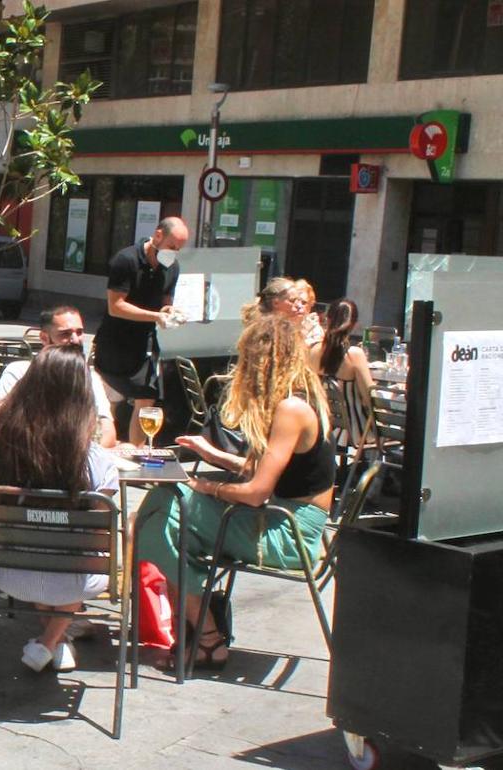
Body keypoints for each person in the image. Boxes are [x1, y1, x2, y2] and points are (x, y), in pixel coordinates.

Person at [135, 314, 334, 670]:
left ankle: (208, 637)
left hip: (287, 534)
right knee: (165, 517)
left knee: (166, 505)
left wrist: (206, 486)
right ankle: (201, 631)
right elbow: (271, 472)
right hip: (286, 520)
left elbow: (257, 492)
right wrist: (214, 455)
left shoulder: (290, 409)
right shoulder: (302, 399)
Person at [0, 344, 118, 672]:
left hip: (7, 575)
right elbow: (95, 536)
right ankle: (50, 641)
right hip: (75, 583)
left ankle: (52, 640)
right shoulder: (97, 460)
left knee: (50, 543)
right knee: (93, 546)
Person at [93, 217, 188, 444]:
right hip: (114, 342)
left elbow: (166, 302)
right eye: (171, 246)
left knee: (147, 398)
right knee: (109, 401)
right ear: (157, 236)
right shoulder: (125, 260)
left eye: (179, 249)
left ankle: (136, 454)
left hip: (144, 343)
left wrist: (171, 313)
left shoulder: (171, 267)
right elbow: (116, 307)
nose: (174, 253)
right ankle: (103, 450)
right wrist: (156, 316)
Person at [0, 305, 117, 447]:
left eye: (80, 332)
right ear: (44, 338)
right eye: (65, 334)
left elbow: (108, 431)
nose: (76, 340)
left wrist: (83, 456)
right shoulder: (19, 373)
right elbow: (0, 426)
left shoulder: (90, 377)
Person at [311, 298, 373, 448]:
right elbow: (369, 397)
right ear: (354, 324)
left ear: (328, 319)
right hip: (355, 430)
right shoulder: (355, 354)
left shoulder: (313, 350)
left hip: (325, 425)